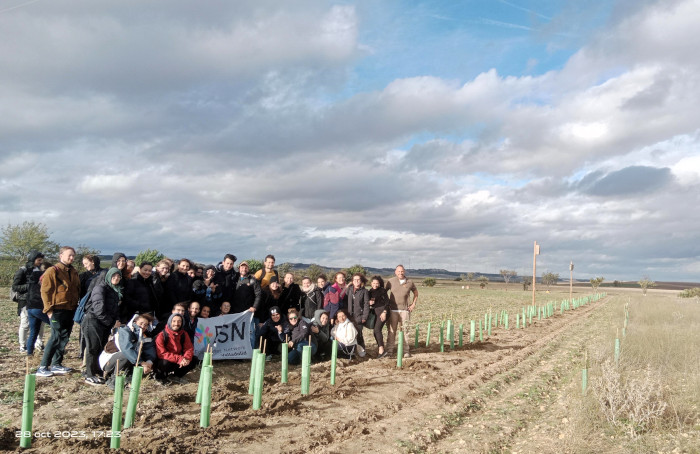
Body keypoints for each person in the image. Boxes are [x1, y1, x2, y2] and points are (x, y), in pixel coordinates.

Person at [36, 246, 81, 377]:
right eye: (69, 255)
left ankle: (56, 364)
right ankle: (43, 366)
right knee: (55, 337)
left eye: (73, 255)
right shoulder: (52, 271)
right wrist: (49, 310)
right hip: (57, 309)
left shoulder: (73, 271)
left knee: (64, 338)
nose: (72, 258)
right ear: (61, 255)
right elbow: (45, 291)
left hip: (70, 308)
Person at [82, 267, 121, 385]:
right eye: (114, 276)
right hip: (93, 321)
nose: (116, 278)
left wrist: (115, 320)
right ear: (108, 277)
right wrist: (110, 322)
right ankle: (89, 374)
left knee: (100, 348)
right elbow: (98, 309)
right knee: (92, 348)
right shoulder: (100, 288)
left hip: (103, 323)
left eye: (119, 276)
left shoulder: (114, 290)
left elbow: (113, 309)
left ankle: (97, 372)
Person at [100, 314, 157, 389]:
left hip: (133, 361)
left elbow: (149, 349)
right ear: (135, 322)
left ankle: (127, 380)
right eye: (141, 323)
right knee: (125, 356)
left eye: (146, 325)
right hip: (111, 359)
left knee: (141, 366)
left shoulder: (146, 336)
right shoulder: (125, 330)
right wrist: (142, 362)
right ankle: (114, 380)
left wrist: (149, 363)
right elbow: (126, 349)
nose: (143, 326)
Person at [12, 250, 45, 353]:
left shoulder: (40, 270)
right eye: (39, 260)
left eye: (41, 260)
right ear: (33, 259)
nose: (40, 262)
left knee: (41, 324)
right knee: (25, 324)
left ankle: (38, 343)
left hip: (38, 301)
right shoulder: (23, 270)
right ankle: (23, 345)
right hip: (25, 301)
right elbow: (15, 286)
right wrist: (30, 286)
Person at [386, 265, 418, 358]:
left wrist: (413, 304)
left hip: (405, 310)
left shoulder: (410, 282)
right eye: (398, 271)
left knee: (405, 330)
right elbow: (383, 292)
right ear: (395, 272)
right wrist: (387, 303)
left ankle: (406, 351)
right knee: (392, 331)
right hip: (392, 310)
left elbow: (416, 293)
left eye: (402, 271)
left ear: (404, 272)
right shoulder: (390, 281)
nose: (400, 273)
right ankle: (389, 351)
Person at [155, 313, 195, 384]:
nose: (176, 324)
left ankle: (175, 376)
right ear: (170, 322)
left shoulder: (184, 334)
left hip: (178, 359)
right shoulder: (162, 335)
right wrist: (179, 359)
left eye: (179, 321)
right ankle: (160, 377)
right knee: (164, 363)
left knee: (193, 360)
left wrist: (186, 358)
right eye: (174, 321)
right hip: (166, 360)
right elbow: (162, 353)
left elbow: (189, 348)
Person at [24, 252, 49, 356]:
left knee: (33, 332)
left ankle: (29, 353)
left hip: (30, 307)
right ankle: (51, 352)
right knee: (57, 327)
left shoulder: (32, 276)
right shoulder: (45, 278)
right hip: (39, 307)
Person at [346, 273, 370, 351]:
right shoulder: (349, 289)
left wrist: (364, 317)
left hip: (359, 316)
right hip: (349, 316)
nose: (356, 281)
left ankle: (362, 350)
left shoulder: (364, 291)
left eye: (358, 280)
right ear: (352, 281)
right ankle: (352, 350)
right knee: (350, 334)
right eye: (354, 280)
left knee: (358, 333)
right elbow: (342, 295)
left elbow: (366, 305)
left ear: (361, 281)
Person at [368, 275, 390, 358]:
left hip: (383, 312)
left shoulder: (382, 291)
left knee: (377, 330)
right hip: (376, 312)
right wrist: (369, 303)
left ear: (379, 284)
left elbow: (387, 303)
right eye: (374, 283)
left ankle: (382, 351)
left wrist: (384, 312)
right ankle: (381, 349)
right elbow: (368, 302)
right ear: (371, 283)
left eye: (377, 283)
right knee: (376, 331)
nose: (375, 285)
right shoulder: (370, 291)